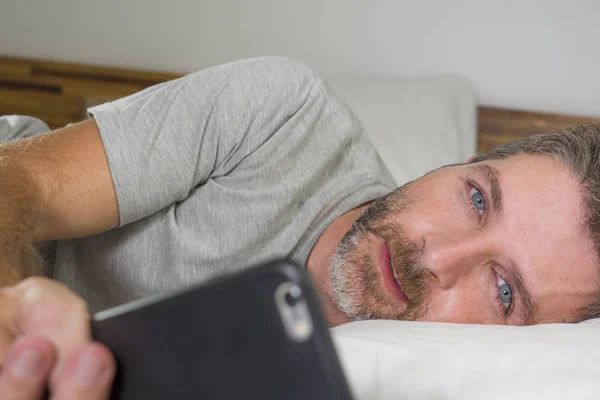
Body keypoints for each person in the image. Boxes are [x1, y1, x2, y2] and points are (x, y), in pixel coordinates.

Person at [0, 56, 598, 398]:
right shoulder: (283, 114)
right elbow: (21, 182)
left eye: (502, 291)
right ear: (461, 165)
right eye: (475, 199)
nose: (438, 257)